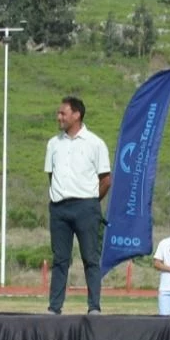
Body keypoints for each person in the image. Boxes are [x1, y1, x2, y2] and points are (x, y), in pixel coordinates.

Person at [45, 96, 112, 315]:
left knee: (90, 258)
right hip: (59, 208)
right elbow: (51, 176)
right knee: (60, 259)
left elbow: (106, 179)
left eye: (63, 113)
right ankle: (55, 307)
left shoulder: (95, 143)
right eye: (59, 113)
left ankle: (94, 306)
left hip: (86, 207)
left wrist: (92, 202)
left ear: (77, 115)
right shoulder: (53, 144)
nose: (59, 117)